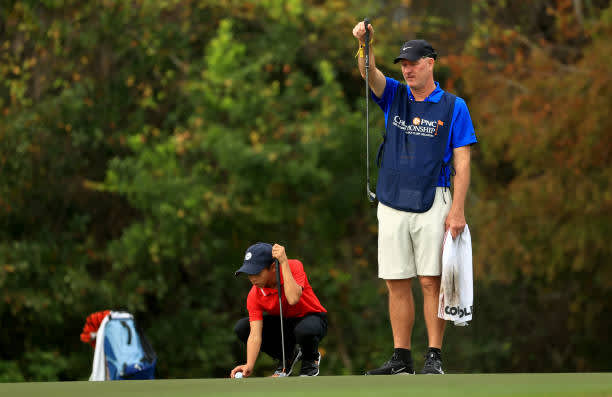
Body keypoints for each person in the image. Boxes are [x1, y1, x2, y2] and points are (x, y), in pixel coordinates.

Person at [352, 21, 477, 375]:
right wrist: (364, 44)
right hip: (392, 199)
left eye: (413, 63)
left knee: (429, 281)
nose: (406, 69)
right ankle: (400, 357)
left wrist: (458, 209)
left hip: (434, 198)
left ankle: (433, 356)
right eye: (403, 64)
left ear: (430, 63)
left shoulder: (454, 106)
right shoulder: (394, 94)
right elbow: (368, 72)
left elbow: (463, 164)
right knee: (396, 280)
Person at [230, 242, 328, 377]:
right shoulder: (254, 295)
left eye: (256, 273)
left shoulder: (293, 266)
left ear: (272, 267)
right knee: (242, 327)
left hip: (312, 318)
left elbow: (293, 299)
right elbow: (255, 335)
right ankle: (287, 358)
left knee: (304, 330)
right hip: (285, 325)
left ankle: (311, 359)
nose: (252, 278)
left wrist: (283, 262)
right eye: (249, 273)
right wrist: (249, 365)